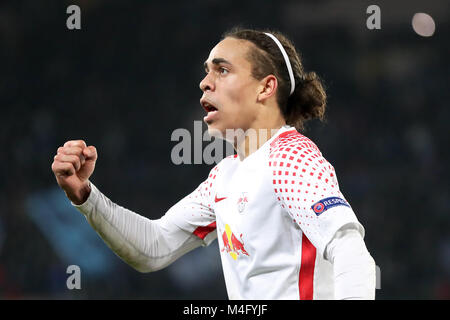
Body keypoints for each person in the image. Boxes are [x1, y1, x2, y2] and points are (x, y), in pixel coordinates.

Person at [51, 27, 376, 299]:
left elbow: (351, 252)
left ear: (266, 87)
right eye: (207, 71)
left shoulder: (290, 157)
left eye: (222, 70)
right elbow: (154, 247)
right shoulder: (226, 175)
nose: (205, 82)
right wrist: (85, 196)